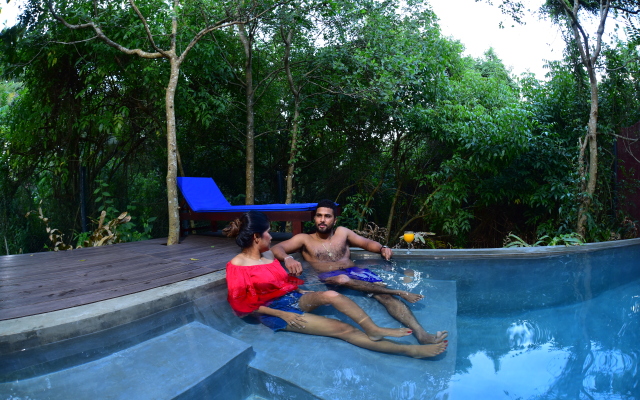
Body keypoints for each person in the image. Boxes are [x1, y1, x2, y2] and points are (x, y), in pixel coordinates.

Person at [223, 210, 448, 358]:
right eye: (268, 233)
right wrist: (283, 314)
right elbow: (244, 305)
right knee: (344, 328)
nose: (271, 238)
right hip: (276, 311)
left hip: (299, 295)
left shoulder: (269, 257)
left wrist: (302, 290)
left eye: (327, 216)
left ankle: (376, 328)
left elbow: (280, 283)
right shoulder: (238, 265)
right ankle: (412, 352)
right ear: (256, 237)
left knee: (336, 295)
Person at [271, 200, 448, 345]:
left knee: (383, 294)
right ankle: (398, 291)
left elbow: (366, 243)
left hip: (354, 271)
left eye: (327, 216)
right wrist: (288, 258)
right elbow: (278, 248)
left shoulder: (343, 232)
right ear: (314, 218)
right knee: (341, 278)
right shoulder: (304, 239)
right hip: (328, 277)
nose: (322, 220)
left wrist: (382, 247)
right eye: (319, 216)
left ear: (334, 220)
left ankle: (420, 333)